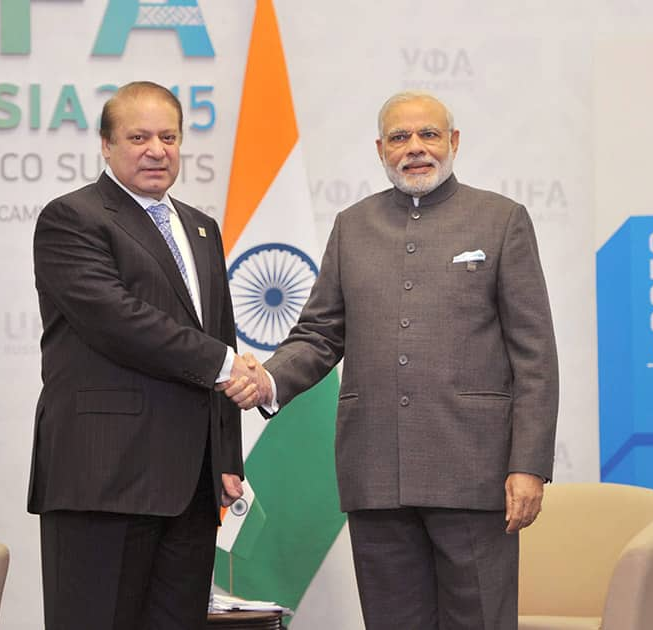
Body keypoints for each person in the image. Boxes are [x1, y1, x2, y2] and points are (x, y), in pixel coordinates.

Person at [223, 91, 559, 629]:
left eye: (428, 134)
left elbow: (535, 355)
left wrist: (528, 465)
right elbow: (319, 334)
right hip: (375, 472)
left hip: (474, 473)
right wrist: (268, 380)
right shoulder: (353, 225)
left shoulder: (501, 220)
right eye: (400, 137)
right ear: (381, 149)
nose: (415, 148)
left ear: (453, 142)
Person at [28, 81, 261, 630]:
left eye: (168, 136)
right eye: (138, 136)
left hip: (192, 486)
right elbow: (118, 321)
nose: (157, 149)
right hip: (104, 477)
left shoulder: (201, 227)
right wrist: (230, 367)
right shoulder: (73, 219)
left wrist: (226, 454)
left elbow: (219, 332)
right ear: (106, 145)